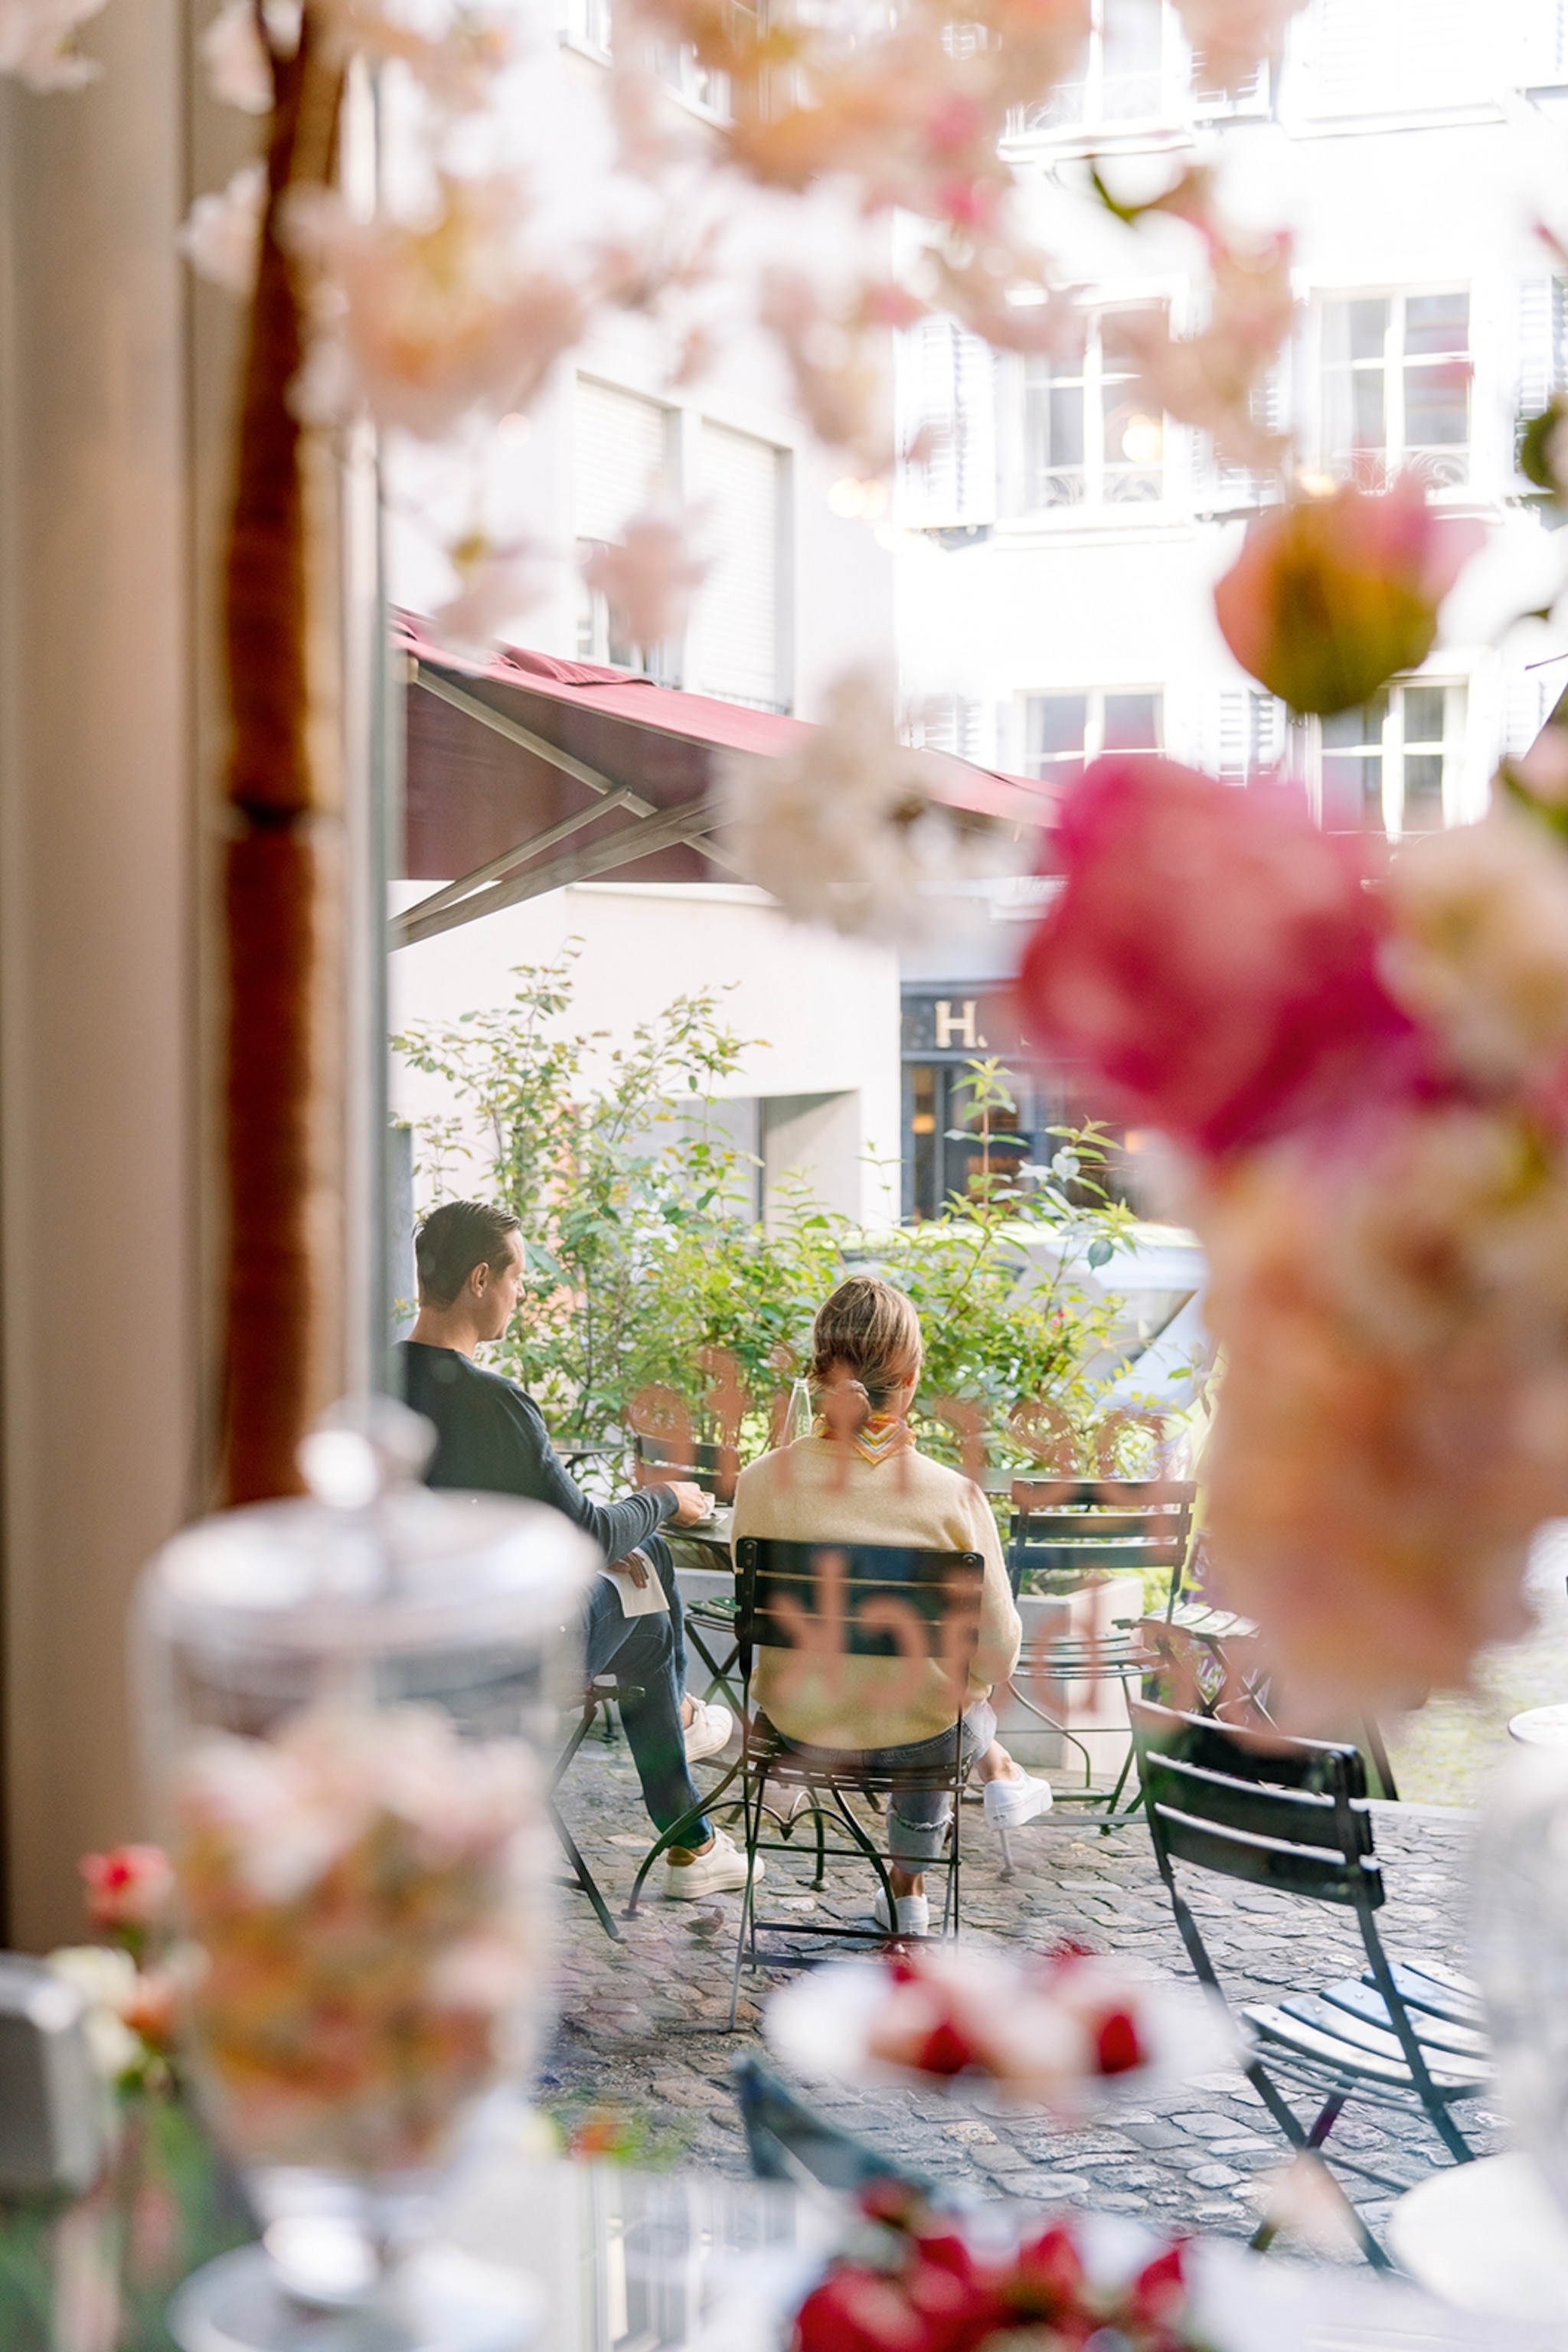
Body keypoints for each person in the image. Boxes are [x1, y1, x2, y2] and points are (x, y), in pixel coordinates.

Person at [399, 1198, 758, 1901]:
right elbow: (588, 1533)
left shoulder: (377, 1378)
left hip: (419, 1646)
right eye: (518, 1276)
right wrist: (665, 1501)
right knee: (650, 1593)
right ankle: (688, 1806)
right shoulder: (497, 1404)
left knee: (638, 1566)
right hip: (510, 1658)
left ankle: (692, 1797)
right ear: (479, 1279)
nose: (522, 1292)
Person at [730, 1275, 1050, 1938]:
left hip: (798, 1728)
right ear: (909, 1379)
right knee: (951, 1701)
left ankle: (911, 1887)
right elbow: (999, 1650)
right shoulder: (954, 1497)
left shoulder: (761, 1483)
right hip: (920, 1739)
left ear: (819, 1366)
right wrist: (969, 1691)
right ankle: (910, 1888)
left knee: (938, 1698)